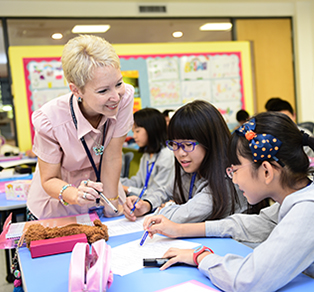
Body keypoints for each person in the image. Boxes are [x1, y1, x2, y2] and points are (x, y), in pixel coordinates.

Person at [143, 111, 314, 292]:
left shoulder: (306, 210)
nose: (233, 179)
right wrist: (179, 230)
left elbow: (248, 280)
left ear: (266, 172)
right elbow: (253, 224)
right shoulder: (296, 198)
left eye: (235, 170)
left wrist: (200, 257)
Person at [27, 35, 134, 220]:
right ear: (76, 90)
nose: (115, 96)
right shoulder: (50, 119)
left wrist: (112, 206)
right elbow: (49, 179)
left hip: (103, 197)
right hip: (58, 205)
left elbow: (112, 155)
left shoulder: (124, 98)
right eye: (103, 91)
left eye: (118, 84)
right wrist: (75, 195)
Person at [123, 100, 247, 223]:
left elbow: (182, 216)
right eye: (175, 144)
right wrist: (147, 204)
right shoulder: (191, 169)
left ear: (210, 142)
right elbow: (166, 191)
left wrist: (166, 208)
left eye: (188, 144)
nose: (181, 153)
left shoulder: (227, 177)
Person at [121, 107, 174, 196]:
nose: (134, 136)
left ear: (151, 129)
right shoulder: (146, 155)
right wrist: (116, 183)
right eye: (133, 132)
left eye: (137, 131)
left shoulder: (167, 156)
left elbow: (157, 194)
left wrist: (128, 189)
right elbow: (137, 181)